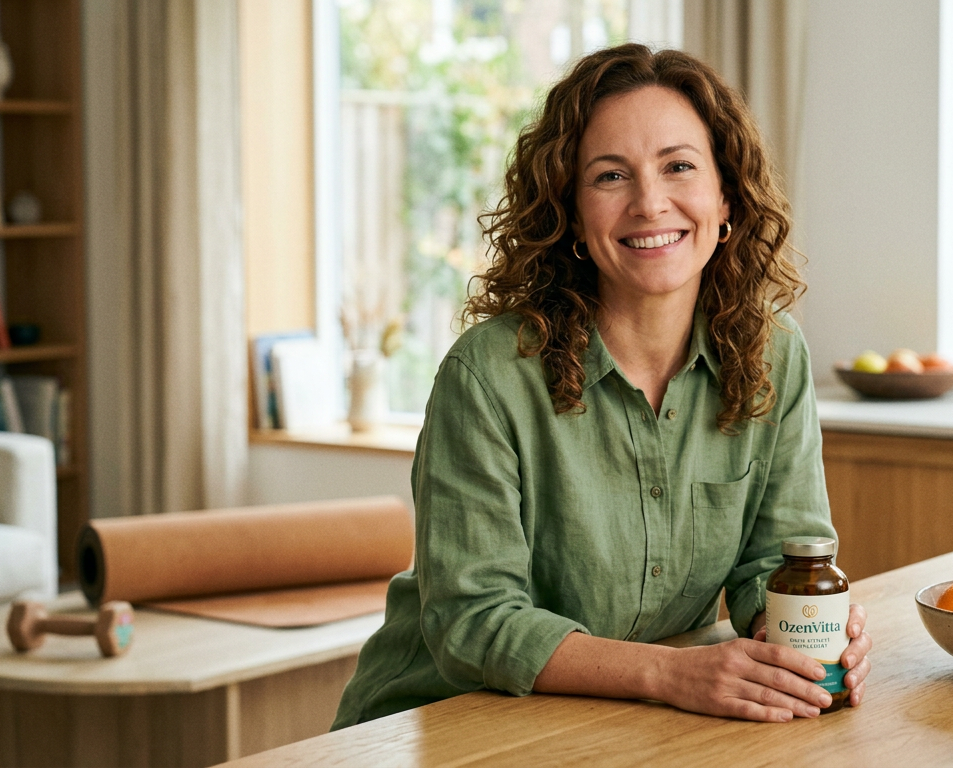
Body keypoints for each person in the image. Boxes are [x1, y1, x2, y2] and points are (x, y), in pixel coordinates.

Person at [331, 42, 871, 729]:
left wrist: (808, 633)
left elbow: (777, 559)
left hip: (623, 723)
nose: (650, 203)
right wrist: (672, 673)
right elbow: (473, 621)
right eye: (611, 176)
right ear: (573, 213)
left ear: (726, 195)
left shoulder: (775, 354)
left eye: (679, 166)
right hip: (435, 726)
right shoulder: (488, 376)